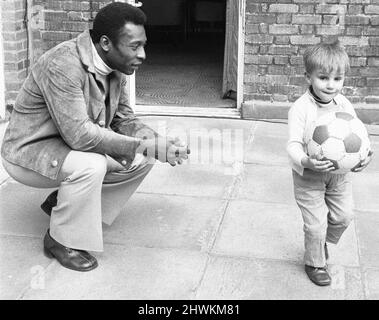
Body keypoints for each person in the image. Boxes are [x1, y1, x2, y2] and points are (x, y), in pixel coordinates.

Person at [1, 2, 190, 272]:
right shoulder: (62, 65)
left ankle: (66, 203)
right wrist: (146, 145)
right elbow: (80, 136)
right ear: (105, 43)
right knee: (93, 165)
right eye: (134, 46)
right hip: (29, 154)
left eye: (143, 45)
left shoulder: (116, 66)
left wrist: (157, 142)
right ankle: (60, 240)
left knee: (142, 158)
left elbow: (124, 119)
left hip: (66, 148)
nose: (143, 54)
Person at [287, 41, 373, 286]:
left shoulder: (344, 104)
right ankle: (314, 262)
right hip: (308, 175)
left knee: (344, 216)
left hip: (339, 174)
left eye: (337, 79)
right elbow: (292, 145)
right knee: (315, 225)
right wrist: (306, 161)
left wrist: (365, 155)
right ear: (308, 76)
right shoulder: (300, 109)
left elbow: (358, 134)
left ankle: (322, 242)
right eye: (323, 77)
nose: (331, 85)